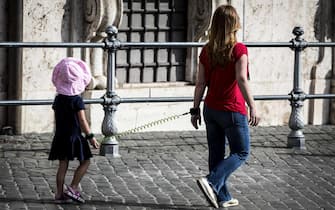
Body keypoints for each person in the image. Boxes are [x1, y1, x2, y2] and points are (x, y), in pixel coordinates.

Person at [191, 5, 260, 208]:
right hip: (232, 109)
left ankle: (223, 198)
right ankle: (211, 182)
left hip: (211, 109)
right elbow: (241, 78)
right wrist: (253, 106)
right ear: (234, 25)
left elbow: (200, 83)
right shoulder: (239, 49)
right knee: (241, 152)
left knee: (216, 154)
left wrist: (195, 109)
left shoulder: (206, 50)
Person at [48, 57, 100, 203]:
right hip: (74, 136)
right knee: (85, 161)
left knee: (62, 165)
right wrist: (90, 137)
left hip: (60, 136)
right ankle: (73, 187)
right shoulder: (77, 100)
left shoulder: (58, 99)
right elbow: (82, 121)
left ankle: (59, 194)